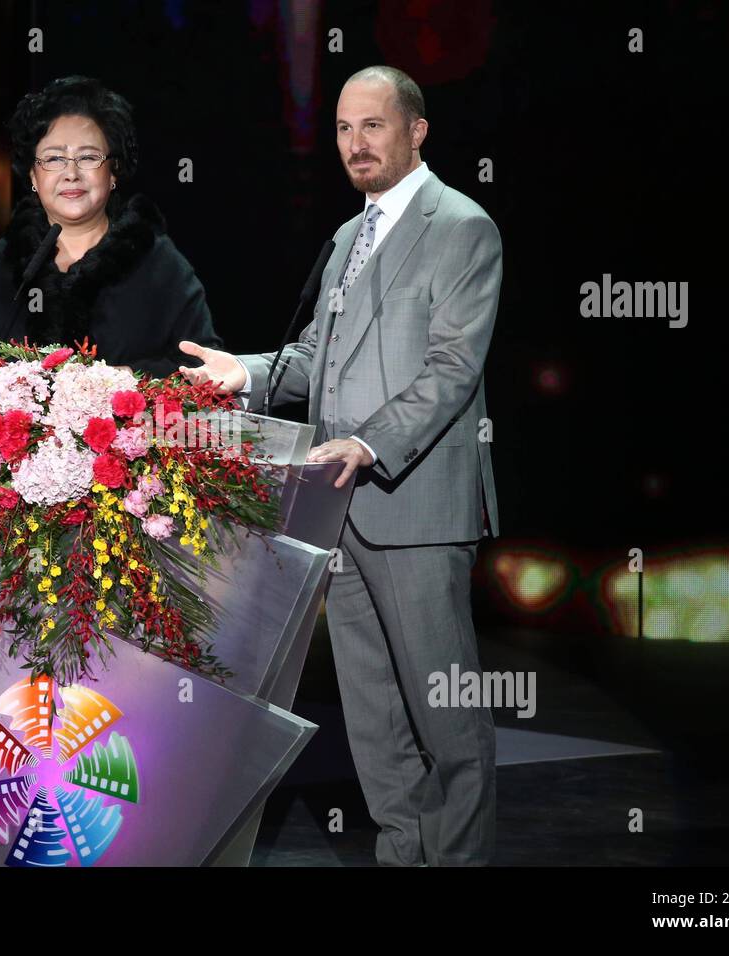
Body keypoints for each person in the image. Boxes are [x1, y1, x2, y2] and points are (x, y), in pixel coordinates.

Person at [178, 66, 502, 866]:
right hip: (337, 509)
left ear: (417, 130)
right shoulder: (348, 238)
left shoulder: (461, 226)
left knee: (443, 710)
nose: (356, 144)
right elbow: (318, 358)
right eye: (344, 129)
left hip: (414, 505)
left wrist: (368, 442)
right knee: (373, 713)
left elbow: (452, 368)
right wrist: (245, 373)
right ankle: (404, 854)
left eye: (374, 126)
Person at [0, 75, 223, 377]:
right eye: (54, 158)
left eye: (88, 157)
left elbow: (205, 368)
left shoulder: (162, 267)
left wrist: (122, 381)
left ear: (113, 172)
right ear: (33, 177)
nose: (71, 173)